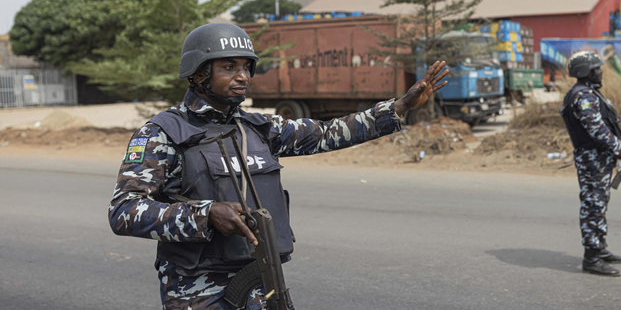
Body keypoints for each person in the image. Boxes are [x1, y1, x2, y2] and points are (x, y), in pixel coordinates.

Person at [108, 23, 449, 309]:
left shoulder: (259, 127)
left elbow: (327, 133)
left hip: (260, 283)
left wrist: (400, 106)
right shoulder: (163, 133)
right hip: (197, 292)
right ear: (198, 73)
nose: (242, 77)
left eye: (246, 67)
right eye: (229, 67)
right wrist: (204, 214)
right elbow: (124, 211)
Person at [559, 51, 621, 277]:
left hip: (597, 158)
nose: (600, 71)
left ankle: (599, 248)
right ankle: (591, 258)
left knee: (599, 203)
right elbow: (597, 130)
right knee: (593, 205)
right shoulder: (583, 97)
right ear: (584, 72)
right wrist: (620, 148)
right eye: (596, 68)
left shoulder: (587, 93)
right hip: (593, 159)